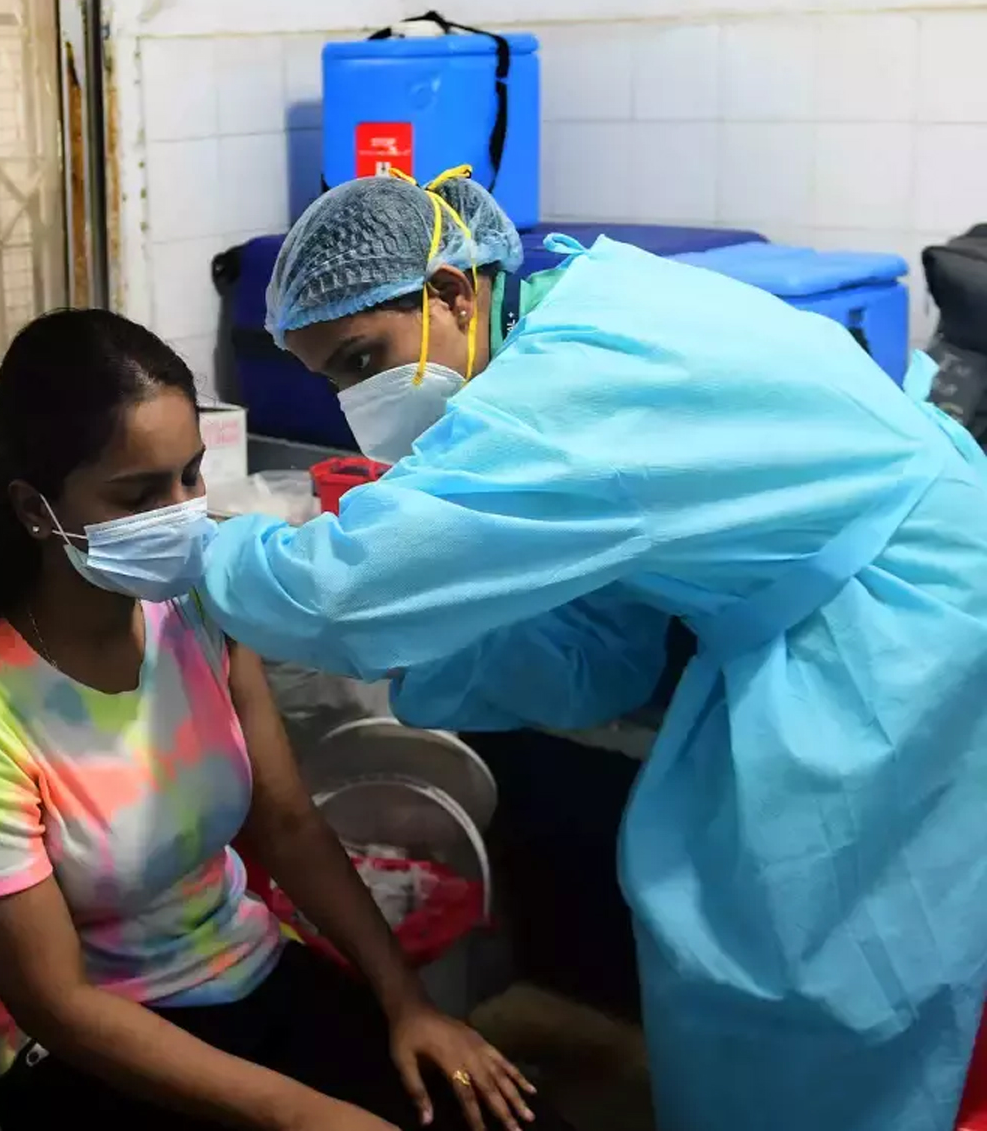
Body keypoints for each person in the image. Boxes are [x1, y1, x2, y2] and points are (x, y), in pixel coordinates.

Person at [200, 167, 987, 1131]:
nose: (357, 398)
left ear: (451, 291)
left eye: (365, 358)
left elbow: (342, 594)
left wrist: (199, 550)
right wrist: (438, 640)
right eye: (334, 379)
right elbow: (601, 645)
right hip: (861, 590)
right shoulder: (574, 307)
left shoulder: (564, 385)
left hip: (898, 632)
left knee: (822, 962)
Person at [0, 309, 574, 1131]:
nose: (182, 513)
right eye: (139, 493)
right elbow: (57, 1004)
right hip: (92, 1050)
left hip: (250, 973)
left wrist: (408, 1003)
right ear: (36, 509)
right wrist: (302, 1115)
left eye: (190, 476)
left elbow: (288, 823)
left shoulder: (198, 607)